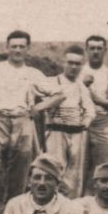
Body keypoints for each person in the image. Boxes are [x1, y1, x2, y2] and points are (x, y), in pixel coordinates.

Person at [0, 30, 48, 206]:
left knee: (22, 164)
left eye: (21, 47)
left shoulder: (34, 73)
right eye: (14, 46)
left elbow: (59, 94)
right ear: (7, 48)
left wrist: (39, 107)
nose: (17, 50)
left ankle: (12, 208)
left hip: (22, 120)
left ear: (28, 49)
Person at [37, 45, 97, 199]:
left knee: (75, 177)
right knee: (54, 170)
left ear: (82, 66)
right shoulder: (51, 82)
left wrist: (86, 121)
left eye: (77, 64)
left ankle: (72, 210)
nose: (73, 67)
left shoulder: (81, 87)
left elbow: (90, 110)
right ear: (63, 62)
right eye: (70, 62)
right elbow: (41, 100)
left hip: (77, 134)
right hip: (56, 132)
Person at [81, 34, 108, 183]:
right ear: (86, 50)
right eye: (92, 48)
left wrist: (98, 100)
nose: (95, 52)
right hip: (78, 124)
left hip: (102, 123)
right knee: (75, 172)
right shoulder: (77, 72)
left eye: (99, 48)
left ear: (105, 50)